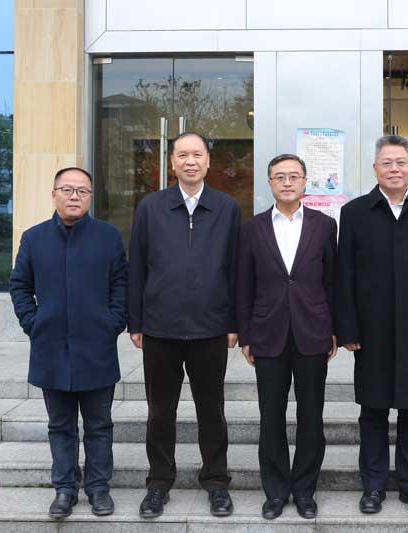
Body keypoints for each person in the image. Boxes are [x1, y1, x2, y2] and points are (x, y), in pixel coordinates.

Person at [337, 135, 408, 517]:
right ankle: (372, 486)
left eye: (401, 162)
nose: (394, 169)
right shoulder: (354, 213)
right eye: (386, 163)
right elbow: (344, 275)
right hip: (372, 332)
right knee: (373, 411)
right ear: (375, 168)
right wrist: (347, 329)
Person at [128, 132, 241, 518]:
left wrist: (234, 321)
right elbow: (137, 265)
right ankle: (159, 482)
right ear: (171, 162)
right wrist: (136, 320)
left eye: (197, 154)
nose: (190, 161)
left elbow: (235, 269)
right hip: (160, 327)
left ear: (208, 161)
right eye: (182, 155)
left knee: (212, 410)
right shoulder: (151, 207)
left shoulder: (227, 208)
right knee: (160, 411)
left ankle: (217, 482)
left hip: (211, 327)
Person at [10, 167, 127, 519]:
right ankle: (64, 488)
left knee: (99, 425)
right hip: (51, 348)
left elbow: (121, 284)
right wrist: (33, 324)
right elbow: (19, 285)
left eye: (82, 191)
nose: (74, 196)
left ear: (90, 197)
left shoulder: (108, 237)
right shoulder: (34, 238)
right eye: (67, 189)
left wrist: (113, 322)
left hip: (96, 347)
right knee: (60, 425)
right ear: (54, 194)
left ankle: (98, 488)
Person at [235, 154, 337, 520]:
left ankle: (305, 490)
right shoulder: (252, 228)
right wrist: (246, 334)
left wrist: (333, 329)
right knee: (271, 416)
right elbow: (243, 285)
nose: (288, 182)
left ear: (305, 181)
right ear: (270, 183)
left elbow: (332, 281)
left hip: (312, 332)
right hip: (268, 333)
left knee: (311, 416)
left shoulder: (325, 226)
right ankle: (276, 491)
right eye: (280, 177)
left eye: (294, 176)